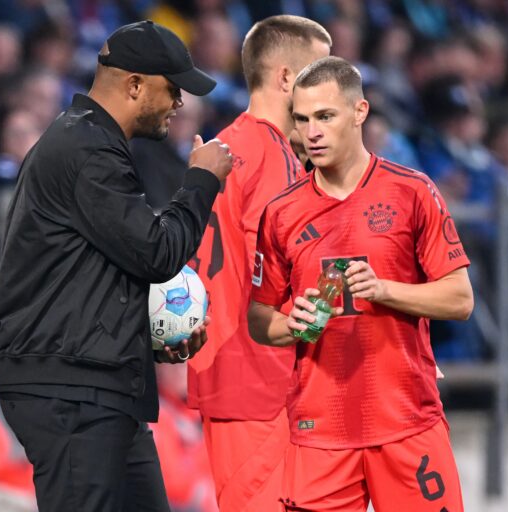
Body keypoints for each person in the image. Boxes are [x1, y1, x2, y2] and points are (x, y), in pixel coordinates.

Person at [0, 21, 233, 512]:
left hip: (96, 381)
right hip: (70, 389)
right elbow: (158, 253)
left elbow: (94, 273)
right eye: (173, 88)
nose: (179, 102)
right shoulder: (87, 149)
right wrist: (201, 181)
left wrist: (152, 337)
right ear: (135, 85)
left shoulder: (88, 141)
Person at [248, 56, 472, 511]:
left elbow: (460, 298)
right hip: (320, 431)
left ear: (359, 112)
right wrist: (291, 324)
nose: (312, 132)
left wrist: (385, 290)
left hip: (407, 421)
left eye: (325, 116)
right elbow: (258, 317)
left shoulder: (412, 191)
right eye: (302, 119)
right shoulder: (281, 213)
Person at [186, 15, 331, 511]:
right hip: (259, 378)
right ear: (286, 78)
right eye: (318, 73)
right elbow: (281, 277)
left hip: (240, 375)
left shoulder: (232, 146)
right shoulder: (269, 158)